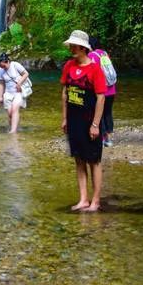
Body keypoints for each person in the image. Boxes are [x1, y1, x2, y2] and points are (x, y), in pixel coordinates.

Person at [61, 29, 106, 212]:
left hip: (89, 120)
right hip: (74, 119)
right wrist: (64, 118)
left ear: (82, 47)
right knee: (79, 159)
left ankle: (95, 200)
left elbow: (101, 97)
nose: (71, 48)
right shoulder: (68, 66)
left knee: (93, 160)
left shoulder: (95, 68)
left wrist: (95, 124)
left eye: (73, 45)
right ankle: (83, 199)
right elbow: (65, 93)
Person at [89, 36, 117, 147]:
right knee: (108, 113)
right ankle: (109, 139)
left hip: (101, 90)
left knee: (99, 113)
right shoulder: (104, 53)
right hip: (112, 88)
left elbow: (92, 73)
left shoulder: (91, 55)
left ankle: (101, 138)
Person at [0, 53, 30, 133]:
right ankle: (14, 128)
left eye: (3, 66)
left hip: (19, 92)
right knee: (10, 113)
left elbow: (26, 74)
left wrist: (19, 83)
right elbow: (1, 83)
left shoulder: (15, 65)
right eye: (0, 67)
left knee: (15, 109)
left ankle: (13, 131)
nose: (2, 68)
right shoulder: (1, 70)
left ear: (7, 61)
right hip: (8, 93)